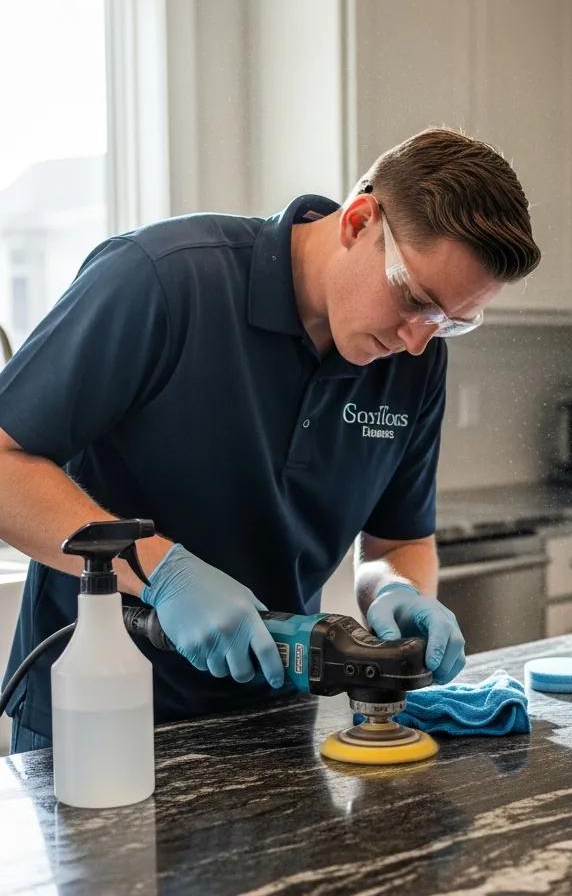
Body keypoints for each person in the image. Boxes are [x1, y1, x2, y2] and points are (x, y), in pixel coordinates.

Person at [0, 127, 542, 754]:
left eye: (452, 324)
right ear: (360, 221)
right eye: (414, 298)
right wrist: (163, 574)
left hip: (272, 726)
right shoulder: (162, 283)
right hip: (96, 716)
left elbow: (399, 540)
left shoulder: (414, 359)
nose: (418, 339)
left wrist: (395, 590)